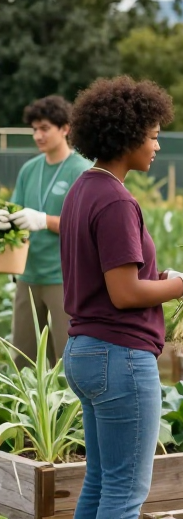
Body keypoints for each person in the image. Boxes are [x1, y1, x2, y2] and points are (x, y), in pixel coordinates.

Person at [60, 77, 183, 519]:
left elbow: (119, 276)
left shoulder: (85, 188)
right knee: (126, 491)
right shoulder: (115, 200)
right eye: (153, 135)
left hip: (85, 349)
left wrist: (170, 275)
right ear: (126, 135)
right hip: (119, 356)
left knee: (100, 484)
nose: (157, 145)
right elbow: (125, 291)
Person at [0, 96, 91, 366]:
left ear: (65, 129)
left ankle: (68, 409)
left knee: (68, 358)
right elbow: (17, 211)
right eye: (34, 129)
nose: (38, 135)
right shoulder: (30, 169)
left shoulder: (81, 170)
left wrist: (44, 220)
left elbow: (86, 227)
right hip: (28, 274)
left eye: (45, 128)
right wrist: (7, 219)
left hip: (64, 277)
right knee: (25, 357)